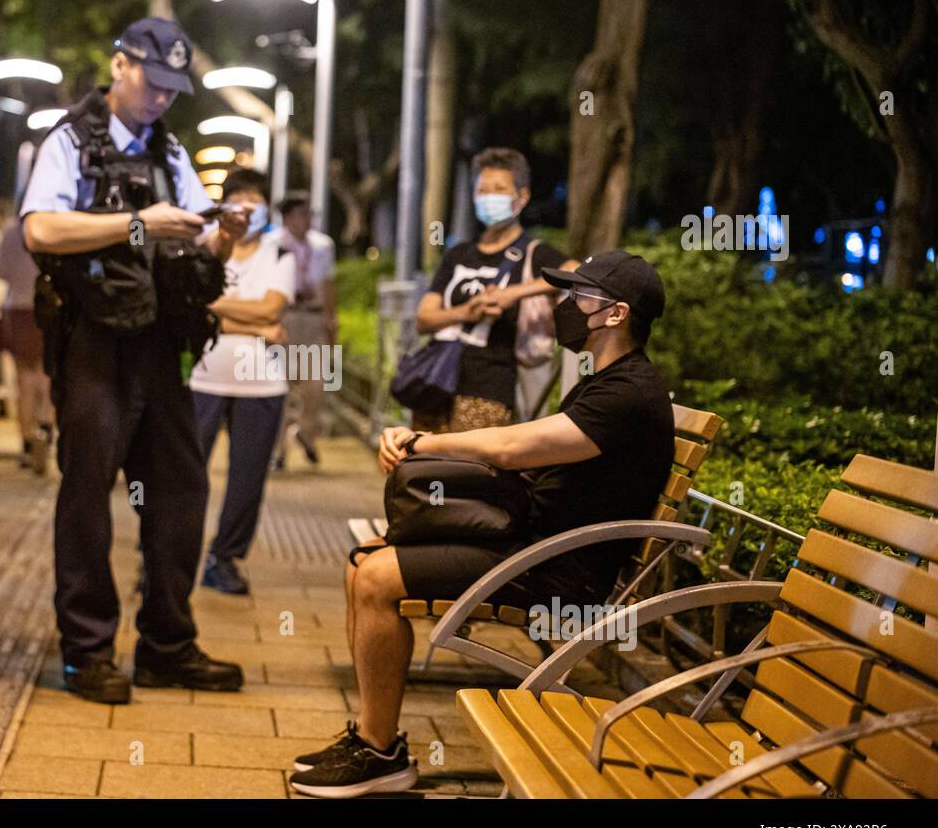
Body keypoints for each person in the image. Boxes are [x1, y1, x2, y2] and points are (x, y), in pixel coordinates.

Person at [289, 251, 675, 797]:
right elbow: (526, 454)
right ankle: (375, 742)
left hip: (558, 571)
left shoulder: (627, 393)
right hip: (533, 545)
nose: (565, 305)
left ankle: (379, 755)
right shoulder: (606, 380)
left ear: (615, 314)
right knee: (365, 564)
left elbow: (518, 447)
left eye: (578, 296)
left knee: (377, 579)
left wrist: (423, 442)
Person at [22, 17, 251, 704]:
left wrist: (223, 239)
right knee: (88, 496)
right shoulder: (70, 142)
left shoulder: (170, 154)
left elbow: (188, 256)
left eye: (172, 90)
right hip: (94, 342)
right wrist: (135, 222)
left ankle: (167, 645)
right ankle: (88, 653)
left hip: (162, 346)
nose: (159, 99)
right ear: (119, 65)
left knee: (182, 493)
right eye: (152, 83)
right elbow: (39, 228)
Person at [413, 148, 577, 433]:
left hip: (489, 391)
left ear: (522, 197)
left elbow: (576, 273)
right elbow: (424, 319)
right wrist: (468, 311)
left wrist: (512, 293)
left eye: (499, 189)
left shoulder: (533, 253)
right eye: (482, 190)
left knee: (470, 473)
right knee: (422, 470)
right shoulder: (458, 254)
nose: (489, 197)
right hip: (434, 385)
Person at [189, 169, 296, 595]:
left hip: (262, 384)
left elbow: (273, 311)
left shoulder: (280, 252)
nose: (247, 207)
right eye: (238, 198)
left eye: (256, 199)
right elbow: (196, 304)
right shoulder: (205, 250)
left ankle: (225, 559)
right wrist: (253, 324)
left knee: (247, 478)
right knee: (184, 473)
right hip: (202, 379)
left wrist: (221, 314)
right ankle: (162, 556)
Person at [271, 191, 336, 468]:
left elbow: (329, 283)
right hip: (284, 317)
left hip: (312, 319)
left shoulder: (322, 245)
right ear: (287, 218)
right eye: (302, 214)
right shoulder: (272, 243)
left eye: (310, 213)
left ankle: (306, 434)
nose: (307, 219)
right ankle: (278, 450)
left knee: (315, 387)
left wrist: (332, 321)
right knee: (279, 388)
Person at [0, 207, 53, 473]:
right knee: (45, 375)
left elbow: (2, 273)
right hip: (45, 306)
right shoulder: (51, 227)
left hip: (17, 306)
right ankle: (45, 429)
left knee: (24, 378)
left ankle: (28, 440)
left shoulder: (10, 232)